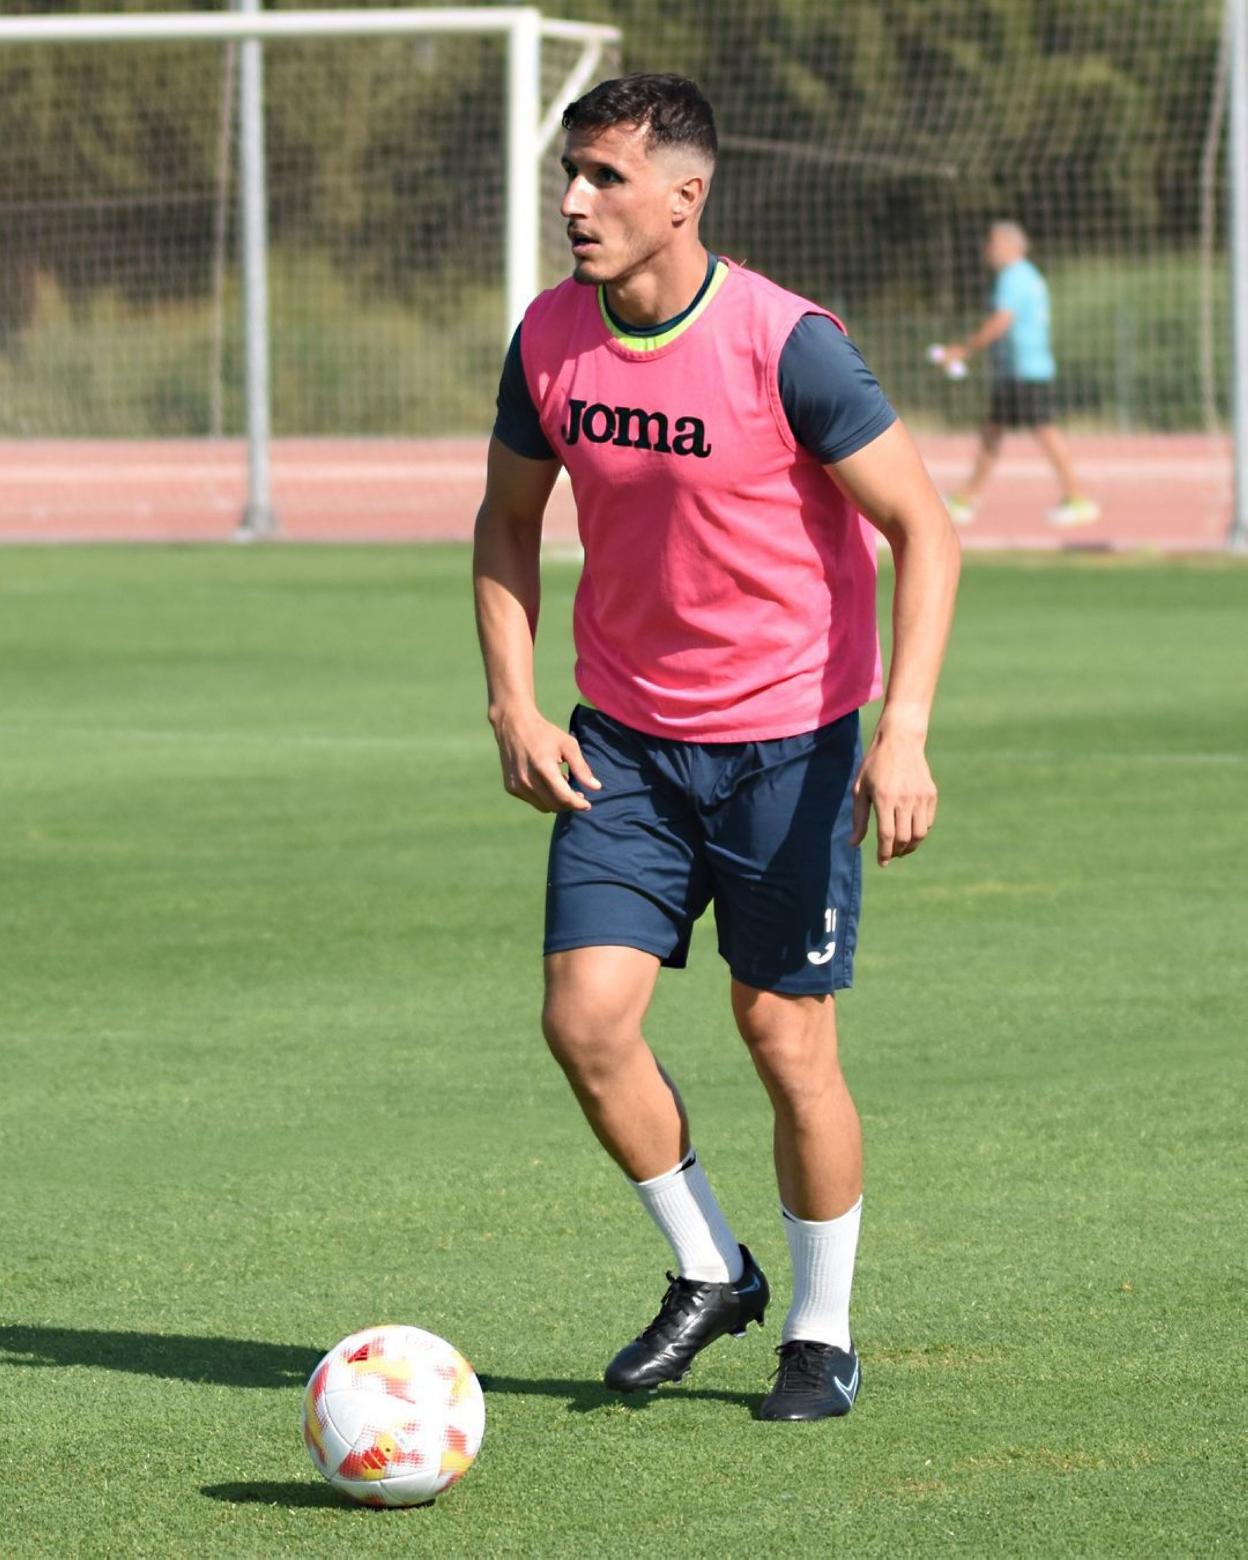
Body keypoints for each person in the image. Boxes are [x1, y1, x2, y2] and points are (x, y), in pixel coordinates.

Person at [473, 74, 960, 1422]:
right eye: (572, 174)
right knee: (584, 1020)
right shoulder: (549, 342)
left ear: (687, 194)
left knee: (783, 1038)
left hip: (789, 750)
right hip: (623, 742)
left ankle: (820, 1329)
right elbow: (506, 523)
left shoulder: (789, 347)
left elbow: (927, 531)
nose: (575, 201)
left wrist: (901, 732)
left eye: (607, 177)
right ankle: (710, 1270)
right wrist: (514, 702)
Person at [942, 221, 1100, 528]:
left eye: (992, 244)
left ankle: (1078, 497)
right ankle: (967, 495)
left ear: (1009, 245)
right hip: (1017, 371)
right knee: (993, 431)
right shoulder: (1027, 275)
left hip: (1024, 371)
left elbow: (1001, 320)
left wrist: (964, 348)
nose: (987, 251)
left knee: (1045, 432)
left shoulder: (1014, 277)